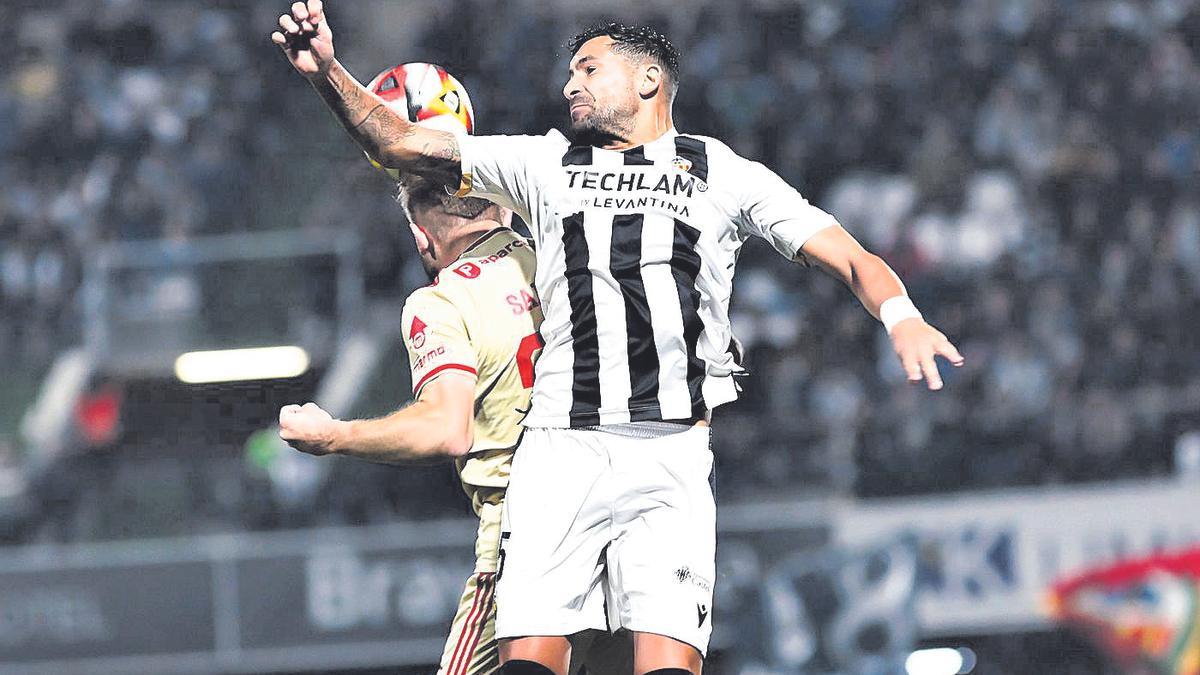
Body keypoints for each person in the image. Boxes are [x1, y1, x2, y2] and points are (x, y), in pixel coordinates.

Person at [272, 3, 964, 674]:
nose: (571, 83)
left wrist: (901, 316)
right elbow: (403, 143)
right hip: (559, 447)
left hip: (669, 451)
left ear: (648, 80)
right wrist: (326, 71)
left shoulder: (721, 172)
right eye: (570, 71)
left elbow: (847, 254)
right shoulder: (543, 164)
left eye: (589, 68)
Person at [276, 177, 625, 674]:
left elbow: (446, 428)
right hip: (623, 523)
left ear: (422, 239)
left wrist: (334, 436)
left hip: (527, 535)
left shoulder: (442, 302)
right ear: (503, 211)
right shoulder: (567, 259)